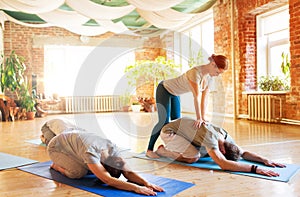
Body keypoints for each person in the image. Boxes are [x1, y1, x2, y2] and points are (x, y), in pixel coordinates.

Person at [146, 54, 229, 158]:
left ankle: (170, 148)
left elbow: (205, 98)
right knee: (164, 122)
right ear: (213, 64)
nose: (217, 75)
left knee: (177, 124)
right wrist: (198, 118)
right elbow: (197, 97)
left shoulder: (209, 78)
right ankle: (149, 150)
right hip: (164, 89)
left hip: (175, 93)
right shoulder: (195, 73)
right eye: (217, 72)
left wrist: (203, 117)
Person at [154, 117, 286, 177]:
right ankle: (163, 151)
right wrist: (255, 169)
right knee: (193, 157)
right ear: (222, 151)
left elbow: (243, 152)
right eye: (222, 153)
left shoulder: (226, 138)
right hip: (170, 132)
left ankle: (178, 148)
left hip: (187, 133)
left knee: (205, 153)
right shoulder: (211, 138)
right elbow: (224, 164)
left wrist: (264, 160)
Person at [48, 132, 164, 196]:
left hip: (72, 144)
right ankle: (56, 166)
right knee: (78, 173)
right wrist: (136, 188)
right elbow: (107, 180)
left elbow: (127, 171)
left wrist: (146, 183)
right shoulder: (91, 152)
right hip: (56, 147)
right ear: (103, 166)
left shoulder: (113, 149)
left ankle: (82, 163)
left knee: (90, 168)